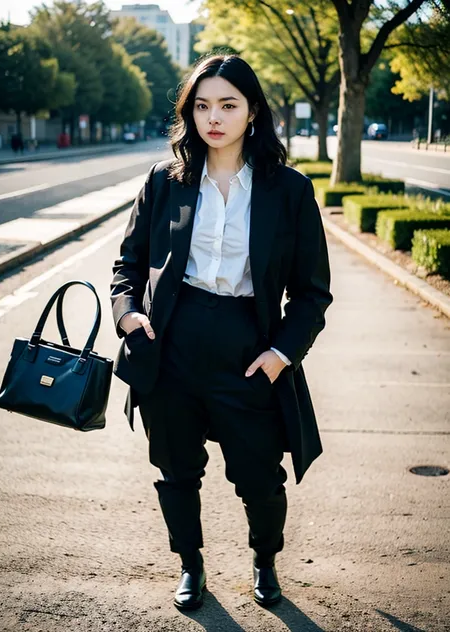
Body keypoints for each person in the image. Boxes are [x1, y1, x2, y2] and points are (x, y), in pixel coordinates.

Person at [110, 54, 333, 611]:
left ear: (252, 111)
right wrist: (128, 313)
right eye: (202, 105)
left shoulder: (288, 190)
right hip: (171, 343)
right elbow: (127, 265)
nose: (214, 117)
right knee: (176, 469)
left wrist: (283, 352)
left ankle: (265, 560)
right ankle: (190, 563)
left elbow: (312, 292)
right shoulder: (166, 180)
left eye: (228, 105)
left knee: (260, 476)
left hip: (247, 346)